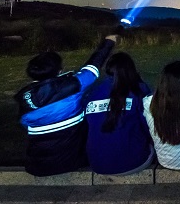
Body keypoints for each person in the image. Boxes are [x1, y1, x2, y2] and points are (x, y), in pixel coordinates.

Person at [14, 32, 117, 176]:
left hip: (37, 166)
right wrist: (109, 42)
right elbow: (92, 67)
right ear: (59, 70)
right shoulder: (71, 86)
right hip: (71, 161)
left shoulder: (25, 97)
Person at [82, 52, 154, 175]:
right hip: (132, 162)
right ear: (131, 70)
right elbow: (149, 127)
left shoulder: (92, 93)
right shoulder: (139, 90)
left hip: (97, 163)